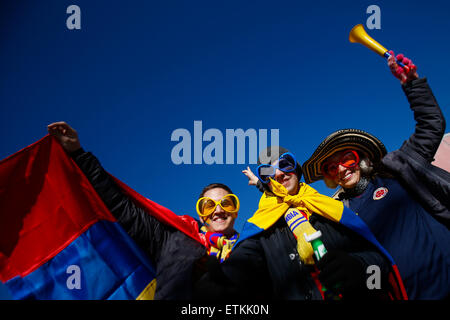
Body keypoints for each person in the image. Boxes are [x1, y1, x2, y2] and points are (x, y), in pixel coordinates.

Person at [301, 52, 450, 299]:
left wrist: (411, 83)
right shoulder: (341, 215)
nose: (341, 169)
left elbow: (432, 124)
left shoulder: (397, 168)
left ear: (359, 158)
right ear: (328, 176)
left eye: (346, 159)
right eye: (330, 167)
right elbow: (368, 267)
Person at [47, 121, 239, 299]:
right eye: (209, 205)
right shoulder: (176, 241)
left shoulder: (252, 246)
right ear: (201, 215)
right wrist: (79, 155)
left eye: (227, 203)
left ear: (236, 210)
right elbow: (122, 207)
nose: (218, 211)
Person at [199, 146, 405, 300]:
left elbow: (381, 264)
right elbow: (245, 262)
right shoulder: (260, 227)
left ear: (297, 171)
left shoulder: (332, 210)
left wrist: (361, 268)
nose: (279, 173)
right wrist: (227, 280)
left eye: (284, 164)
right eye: (268, 172)